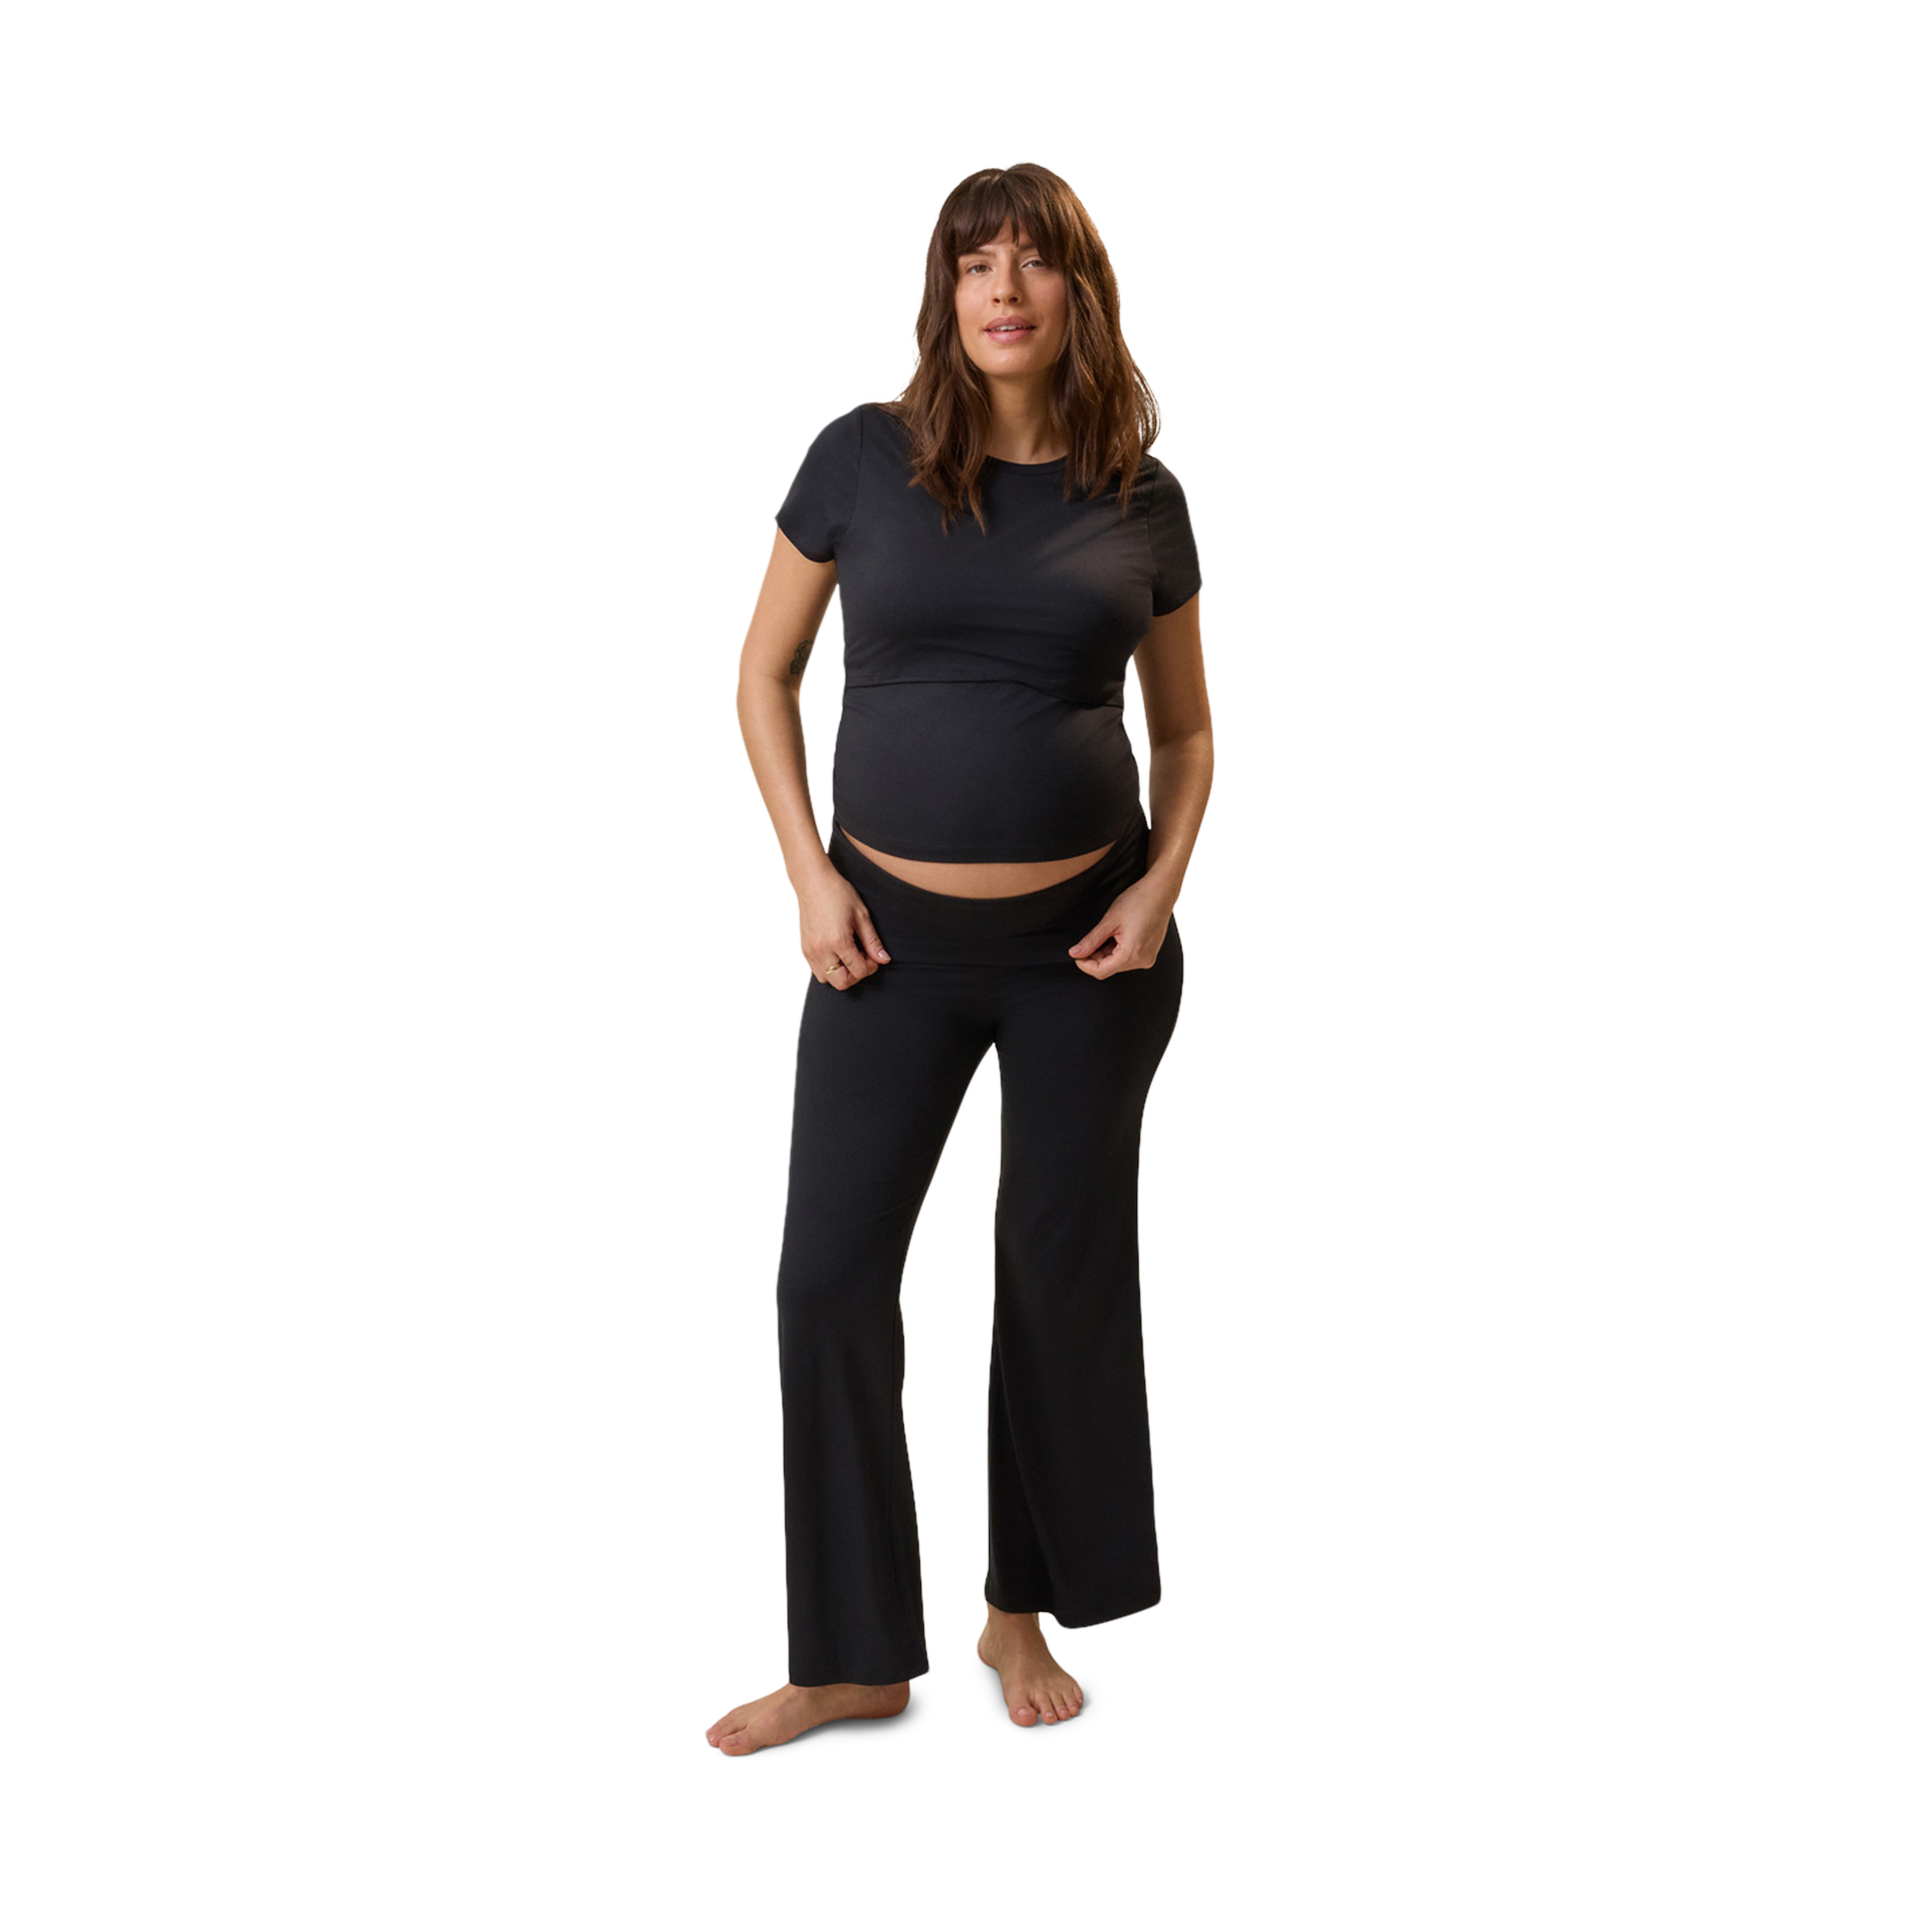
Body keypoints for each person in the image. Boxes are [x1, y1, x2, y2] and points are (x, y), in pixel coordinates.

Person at [709, 161, 1212, 1756]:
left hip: (1090, 954)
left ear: (1079, 290)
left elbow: (1188, 734)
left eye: (1033, 261)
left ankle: (1015, 1608)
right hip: (883, 945)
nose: (1003, 288)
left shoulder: (1141, 491)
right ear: (944, 293)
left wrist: (1160, 890)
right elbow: (763, 675)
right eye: (974, 262)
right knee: (824, 1277)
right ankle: (854, 1654)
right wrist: (808, 877)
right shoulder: (858, 455)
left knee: (1056, 1272)